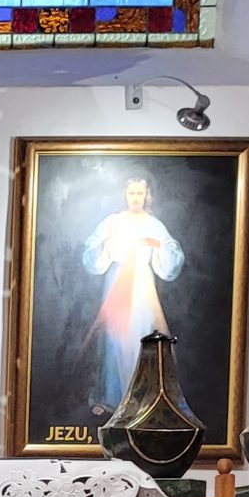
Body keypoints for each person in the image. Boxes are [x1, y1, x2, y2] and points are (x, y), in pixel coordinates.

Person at [79, 174, 183, 416]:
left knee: (140, 334)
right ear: (125, 195)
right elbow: (92, 250)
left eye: (140, 193)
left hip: (142, 286)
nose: (136, 198)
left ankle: (140, 398)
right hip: (117, 282)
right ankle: (111, 397)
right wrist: (107, 243)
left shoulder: (154, 224)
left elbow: (171, 252)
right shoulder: (113, 221)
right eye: (132, 192)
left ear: (147, 195)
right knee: (114, 338)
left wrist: (157, 246)